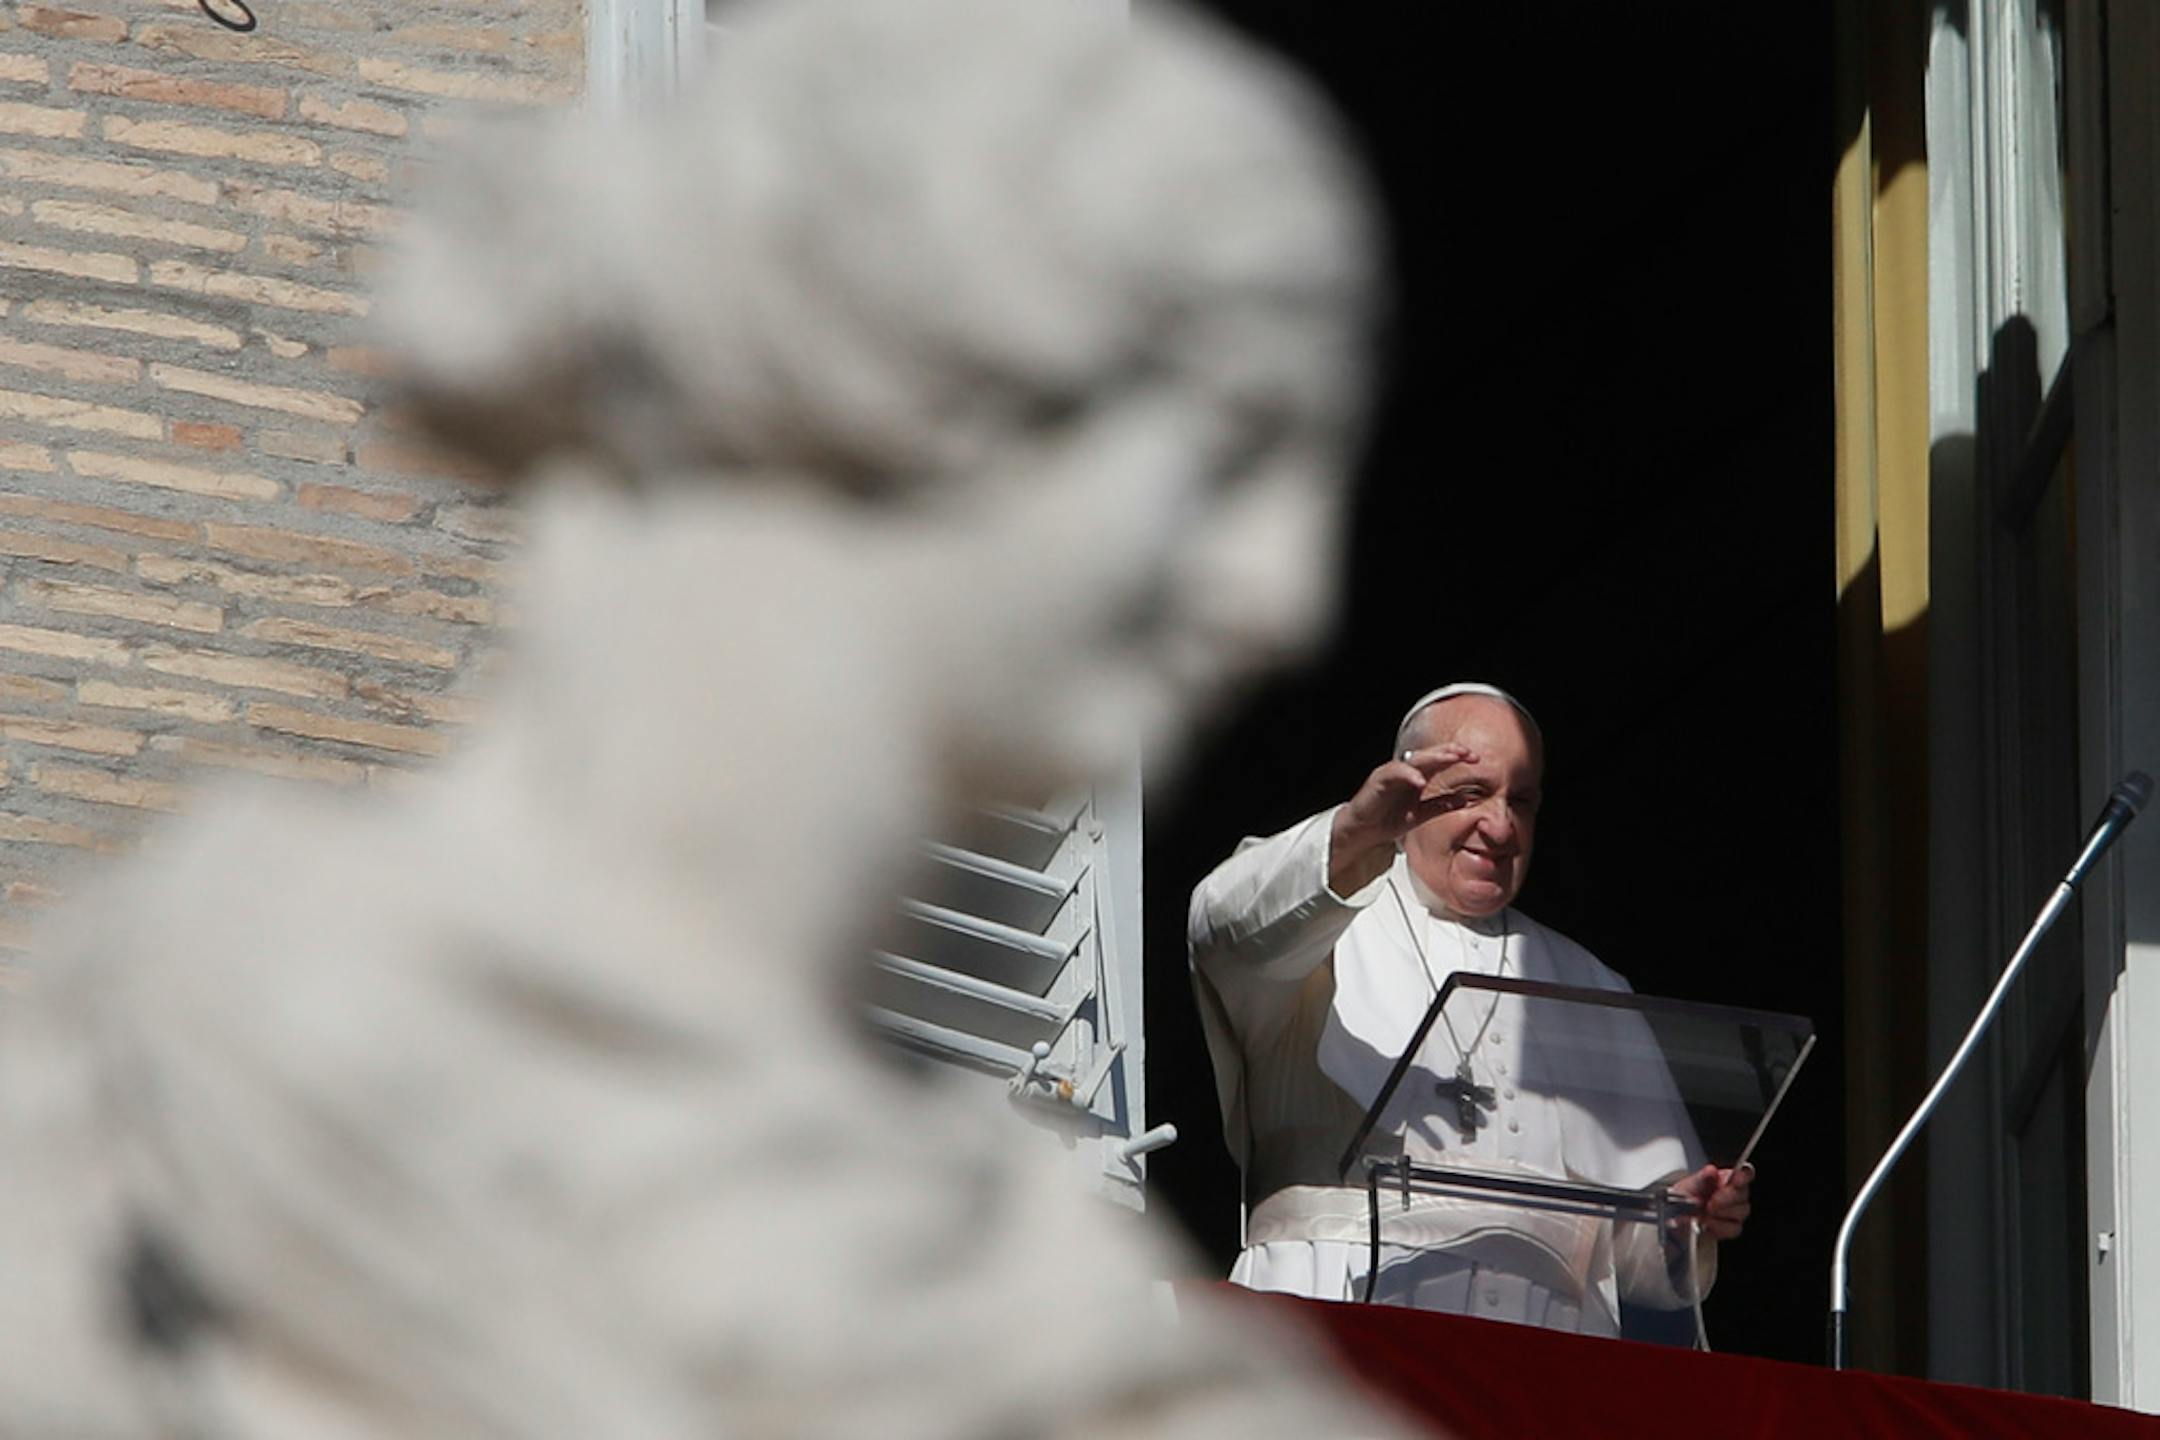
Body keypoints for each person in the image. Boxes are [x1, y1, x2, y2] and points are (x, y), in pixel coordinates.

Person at [1188, 682, 1753, 1336]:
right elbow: (1219, 923)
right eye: (1470, 794)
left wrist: (1681, 1217)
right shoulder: (1315, 915)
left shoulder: (1589, 981)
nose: (1501, 824)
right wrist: (1353, 832)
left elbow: (1640, 1266)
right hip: (1337, 1305)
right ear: (1405, 794)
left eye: (1522, 799)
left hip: (1544, 1345)